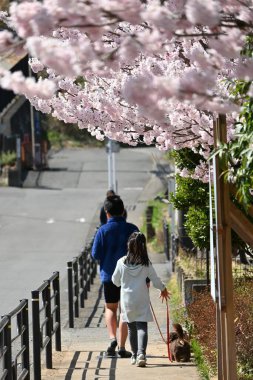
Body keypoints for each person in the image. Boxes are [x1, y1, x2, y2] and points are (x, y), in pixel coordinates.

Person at [112, 232, 169, 367]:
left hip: (127, 300)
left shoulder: (121, 262)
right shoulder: (145, 263)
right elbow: (155, 280)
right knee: (142, 326)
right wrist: (163, 289)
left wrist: (123, 282)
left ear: (129, 245)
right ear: (144, 247)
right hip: (141, 298)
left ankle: (133, 354)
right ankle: (141, 354)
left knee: (131, 328)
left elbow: (115, 281)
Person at [92, 195, 138, 357]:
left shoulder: (102, 231)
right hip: (130, 277)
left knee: (110, 307)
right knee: (125, 311)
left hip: (109, 276)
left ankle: (112, 338)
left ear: (107, 213)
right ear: (123, 211)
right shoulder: (133, 229)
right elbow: (141, 255)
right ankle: (123, 347)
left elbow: (95, 254)